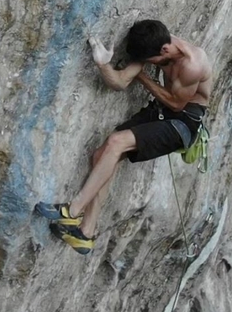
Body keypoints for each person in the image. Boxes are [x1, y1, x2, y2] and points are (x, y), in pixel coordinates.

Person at [36, 20, 212, 254]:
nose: (149, 65)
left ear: (165, 50)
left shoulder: (192, 64)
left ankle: (72, 211)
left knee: (116, 142)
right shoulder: (152, 44)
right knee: (102, 155)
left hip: (183, 123)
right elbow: (119, 82)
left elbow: (177, 104)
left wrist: (143, 78)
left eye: (151, 62)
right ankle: (85, 234)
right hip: (161, 112)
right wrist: (103, 64)